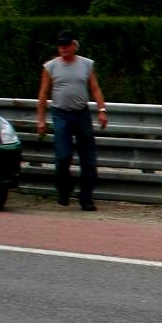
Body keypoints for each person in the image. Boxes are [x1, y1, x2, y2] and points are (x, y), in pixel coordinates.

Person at [35, 31, 107, 210]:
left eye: (67, 45)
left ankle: (86, 198)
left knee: (88, 158)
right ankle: (64, 189)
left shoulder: (86, 64)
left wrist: (101, 110)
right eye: (61, 45)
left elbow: (95, 88)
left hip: (81, 114)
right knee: (63, 155)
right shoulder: (50, 67)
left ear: (74, 45)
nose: (63, 48)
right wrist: (41, 120)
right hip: (61, 114)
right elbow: (43, 94)